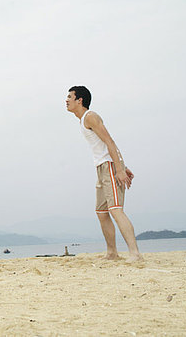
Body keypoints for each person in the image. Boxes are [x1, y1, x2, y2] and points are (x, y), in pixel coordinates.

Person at [66, 86, 143, 262]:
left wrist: (119, 168)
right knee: (101, 212)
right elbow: (105, 145)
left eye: (70, 96)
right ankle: (112, 253)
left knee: (116, 210)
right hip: (101, 167)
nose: (66, 100)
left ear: (80, 100)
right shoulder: (82, 120)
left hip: (109, 167)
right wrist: (122, 164)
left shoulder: (90, 116)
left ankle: (135, 254)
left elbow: (110, 141)